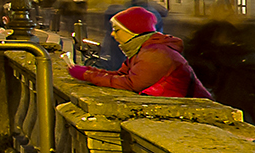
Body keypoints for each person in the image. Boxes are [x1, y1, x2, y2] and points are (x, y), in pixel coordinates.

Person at [69, 7, 212, 98]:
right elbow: (122, 75)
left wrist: (88, 75)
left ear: (132, 32)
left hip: (191, 109)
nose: (112, 34)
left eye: (116, 30)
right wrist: (89, 71)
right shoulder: (142, 50)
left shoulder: (156, 53)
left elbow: (132, 83)